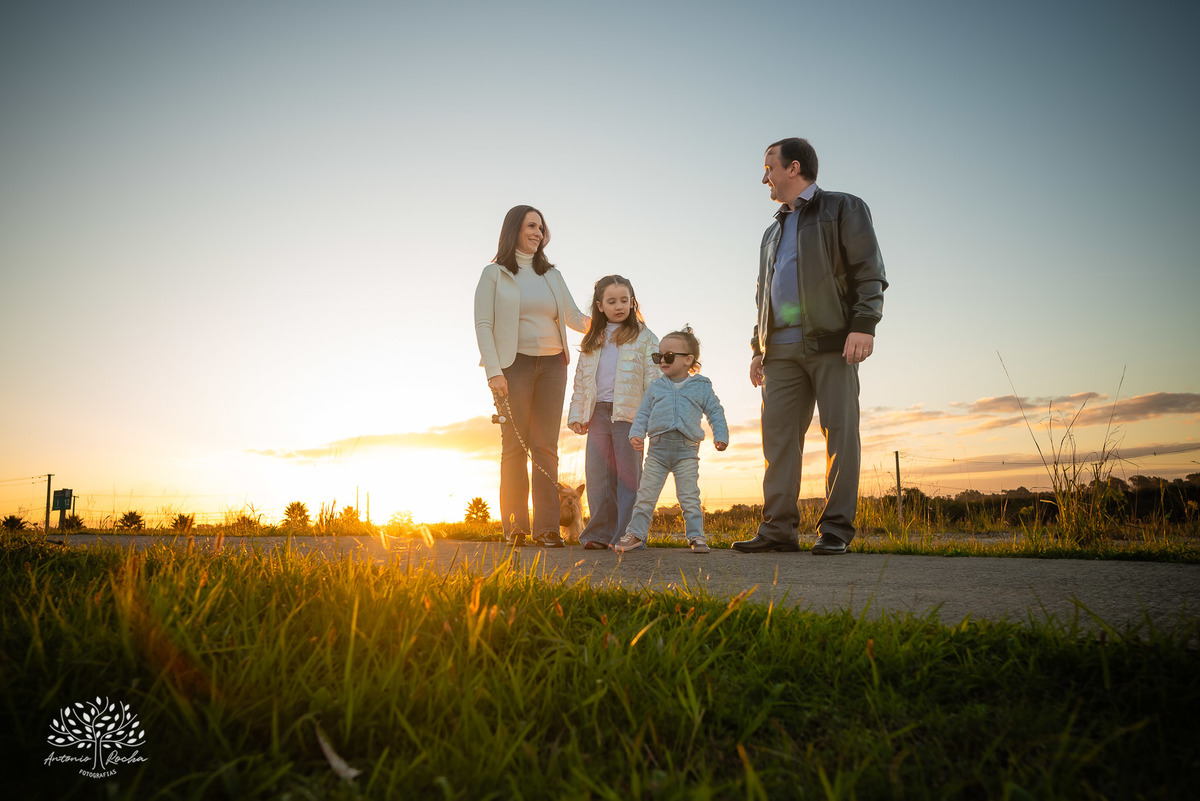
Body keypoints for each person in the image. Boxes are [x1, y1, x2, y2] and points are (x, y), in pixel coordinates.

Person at [734, 137, 887, 555]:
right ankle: (777, 529)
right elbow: (764, 295)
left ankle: (835, 529)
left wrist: (864, 324)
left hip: (832, 342)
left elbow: (868, 270)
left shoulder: (843, 207)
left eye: (769, 167)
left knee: (840, 434)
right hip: (778, 352)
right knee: (778, 440)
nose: (764, 177)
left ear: (794, 167)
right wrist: (757, 347)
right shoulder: (771, 232)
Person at [473, 205, 589, 547]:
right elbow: (483, 324)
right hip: (514, 366)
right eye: (531, 226)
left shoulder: (552, 275)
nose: (538, 233)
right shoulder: (494, 274)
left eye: (541, 227)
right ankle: (515, 527)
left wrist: (614, 320)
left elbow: (574, 317)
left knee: (545, 447)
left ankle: (547, 528)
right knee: (514, 446)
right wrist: (494, 372)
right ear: (514, 230)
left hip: (553, 365)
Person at [612, 327, 728, 554]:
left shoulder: (701, 386)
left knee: (689, 497)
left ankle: (696, 536)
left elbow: (715, 411)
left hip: (686, 452)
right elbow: (643, 413)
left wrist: (721, 435)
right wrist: (636, 433)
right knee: (645, 496)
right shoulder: (656, 386)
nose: (662, 361)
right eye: (658, 356)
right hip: (657, 451)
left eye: (669, 356)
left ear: (688, 360)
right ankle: (635, 534)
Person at [567, 275, 659, 551]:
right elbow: (582, 380)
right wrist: (577, 414)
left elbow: (654, 380)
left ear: (632, 303)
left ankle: (629, 535)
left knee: (628, 477)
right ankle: (598, 534)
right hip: (597, 414)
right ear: (600, 305)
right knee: (598, 476)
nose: (619, 306)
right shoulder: (592, 339)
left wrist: (651, 417)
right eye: (611, 301)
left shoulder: (645, 337)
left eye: (624, 300)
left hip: (629, 416)